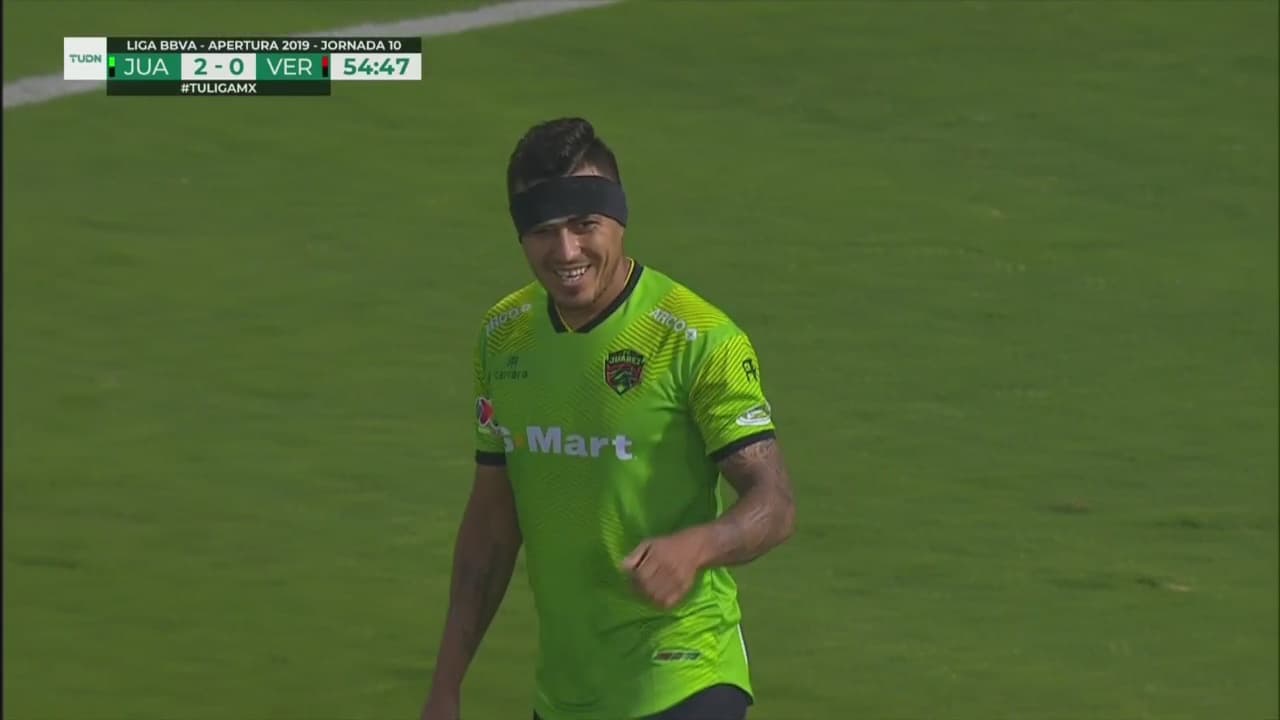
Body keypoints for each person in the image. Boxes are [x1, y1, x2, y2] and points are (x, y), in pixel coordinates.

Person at [420, 117, 797, 720]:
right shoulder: (504, 337)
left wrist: (696, 547)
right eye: (543, 231)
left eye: (584, 225)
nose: (566, 251)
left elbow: (774, 503)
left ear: (619, 219)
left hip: (687, 673)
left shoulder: (698, 338)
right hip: (567, 692)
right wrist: (445, 685)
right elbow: (492, 523)